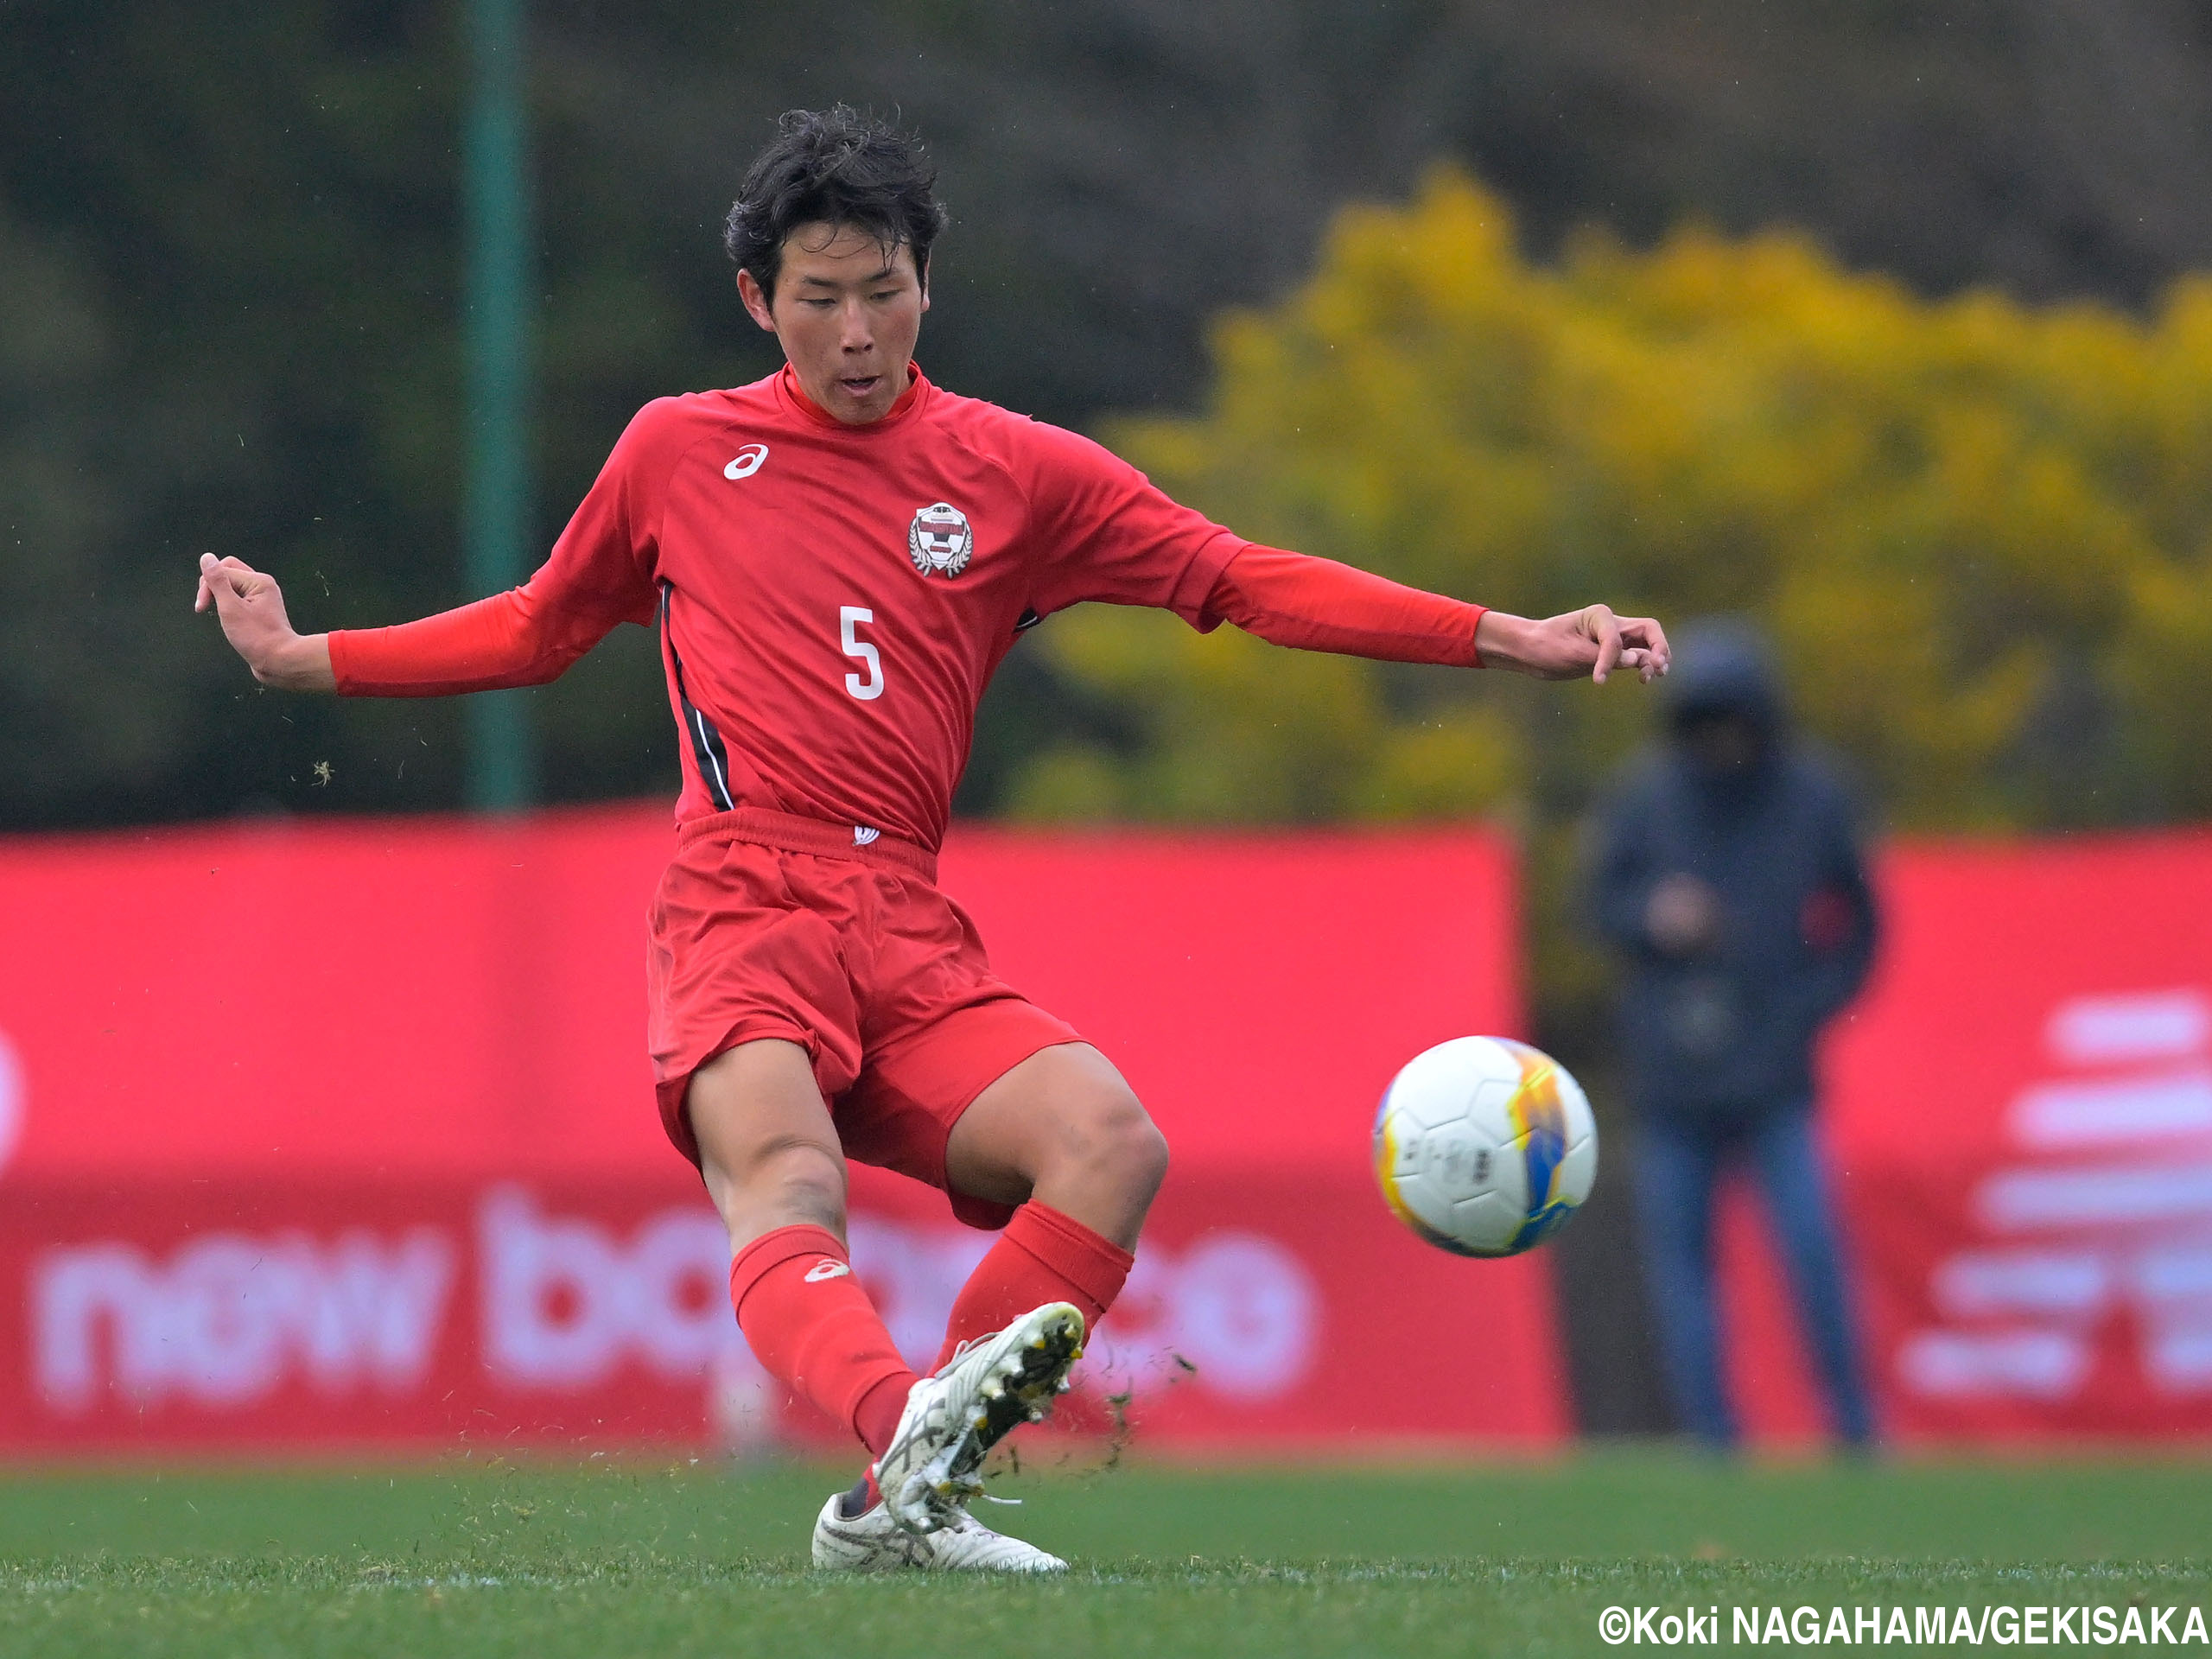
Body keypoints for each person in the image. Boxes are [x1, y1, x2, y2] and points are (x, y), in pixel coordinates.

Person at [195, 105, 1671, 1571]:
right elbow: (536, 627)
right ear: (756, 302)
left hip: (903, 915)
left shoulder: (1019, 473)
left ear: (927, 284)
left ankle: (917, 1483)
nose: (854, 330)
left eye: (884, 291)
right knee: (786, 1175)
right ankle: (906, 1451)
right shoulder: (677, 453)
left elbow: (1238, 578)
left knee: (1110, 1146)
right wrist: (305, 658)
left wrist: (1505, 638)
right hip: (739, 893)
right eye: (820, 298)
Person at [1588, 618, 1877, 1451]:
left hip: (1777, 1075)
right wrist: (1653, 916)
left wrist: (1808, 1009)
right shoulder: (1645, 796)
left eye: (1734, 726)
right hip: (1672, 1078)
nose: (1720, 746)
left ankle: (1856, 1434)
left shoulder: (1812, 795)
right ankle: (1714, 1444)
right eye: (1704, 728)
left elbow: (1861, 926)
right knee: (1686, 1279)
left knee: (1814, 1258)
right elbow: (1596, 907)